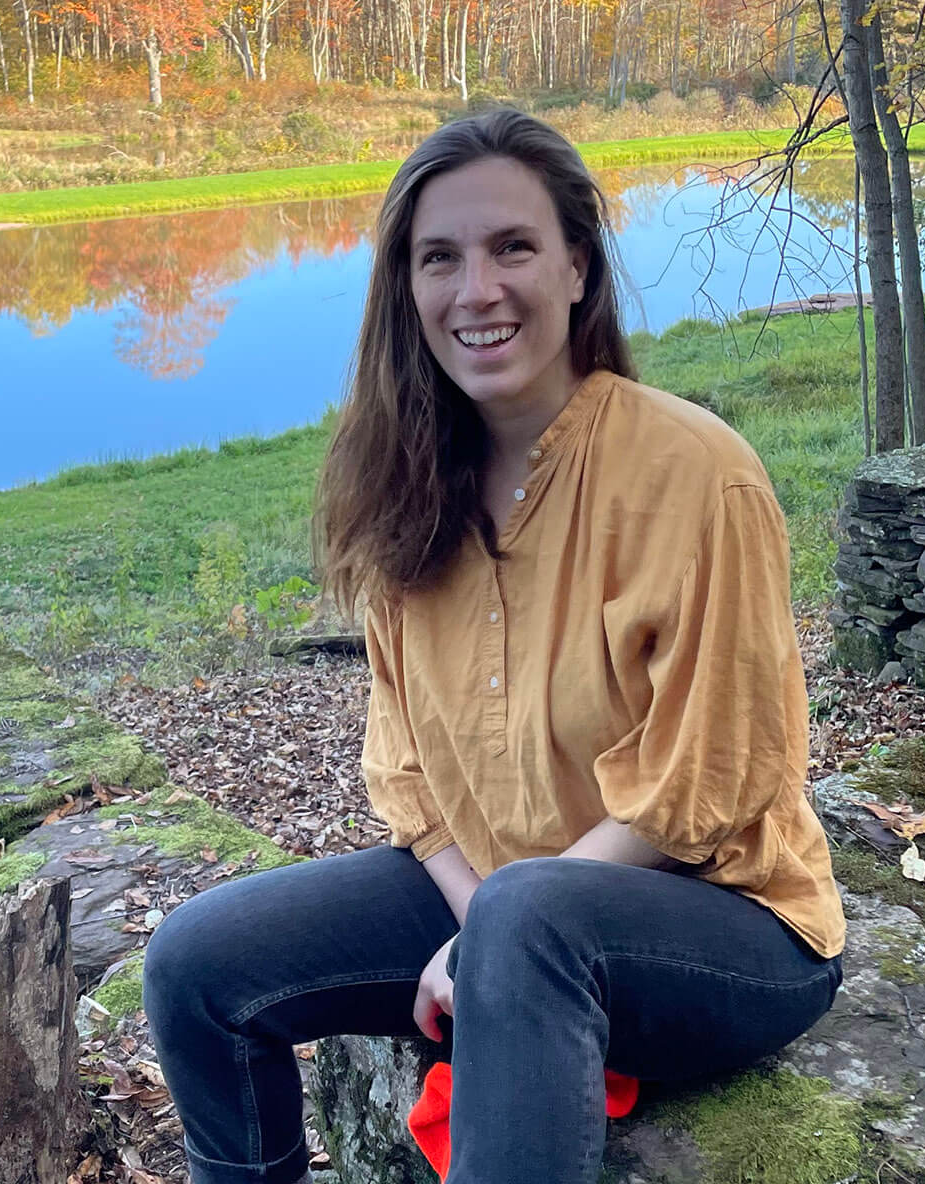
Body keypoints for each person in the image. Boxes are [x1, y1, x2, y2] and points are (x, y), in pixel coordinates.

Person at [143, 107, 846, 1184]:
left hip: (728, 931)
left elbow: (709, 776)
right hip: (505, 900)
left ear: (577, 266)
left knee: (535, 913)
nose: (477, 290)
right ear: (407, 290)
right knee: (196, 965)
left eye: (513, 247)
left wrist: (503, 931)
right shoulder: (402, 488)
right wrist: (484, 928)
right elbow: (407, 770)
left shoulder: (699, 478)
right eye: (441, 258)